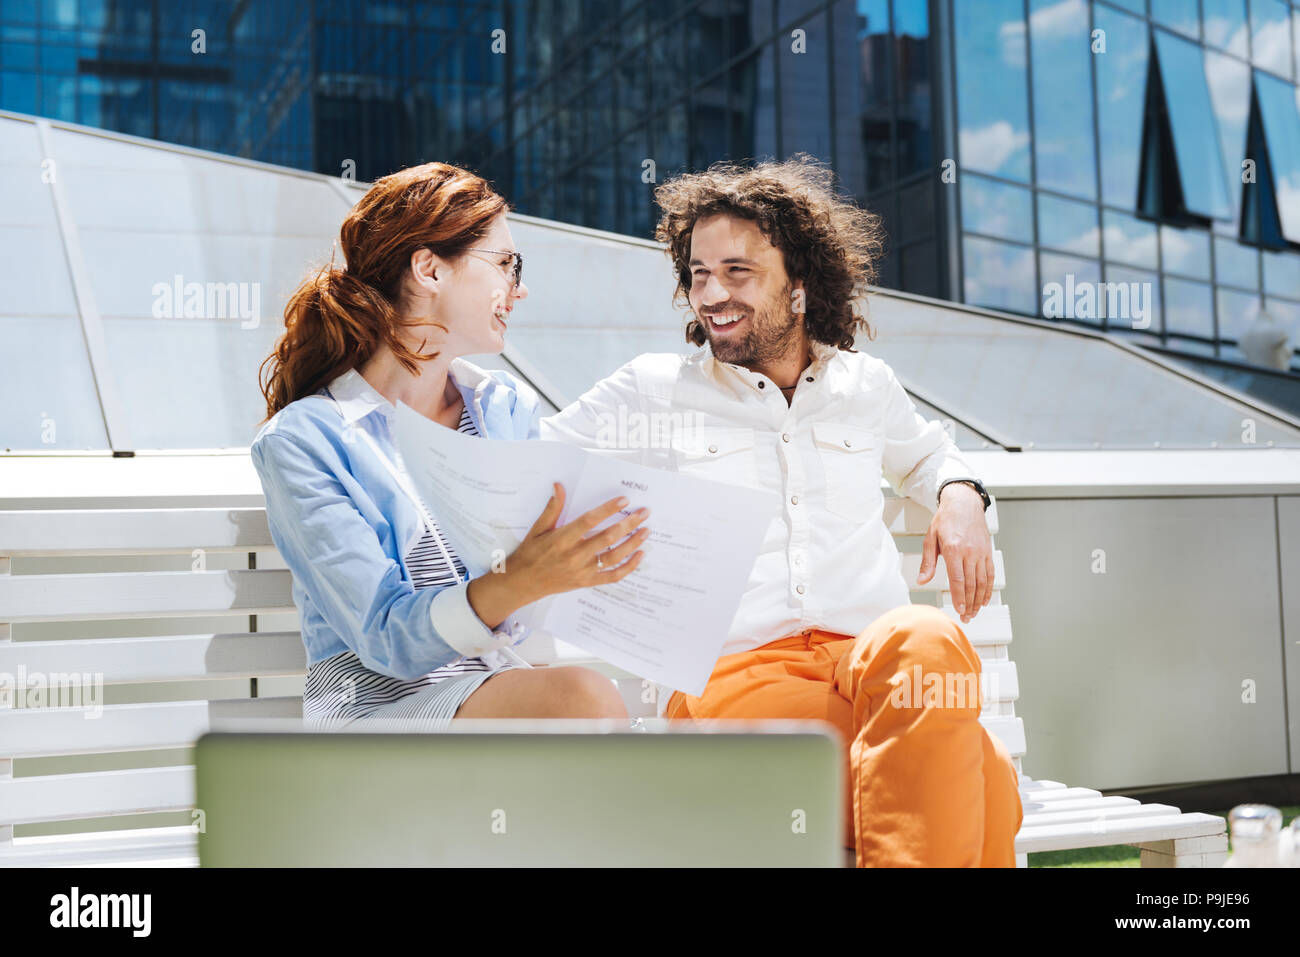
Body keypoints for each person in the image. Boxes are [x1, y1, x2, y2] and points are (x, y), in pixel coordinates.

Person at [540, 155, 1024, 866]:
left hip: (869, 666)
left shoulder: (866, 385)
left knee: (926, 636)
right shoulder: (650, 392)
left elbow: (929, 454)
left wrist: (959, 494)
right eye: (698, 273)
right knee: (987, 786)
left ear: (800, 285)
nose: (712, 293)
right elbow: (531, 469)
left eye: (739, 271)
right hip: (733, 680)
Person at [251, 162, 649, 730]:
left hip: (499, 693)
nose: (520, 288)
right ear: (429, 269)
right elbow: (384, 637)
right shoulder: (306, 441)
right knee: (582, 701)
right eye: (507, 265)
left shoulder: (504, 408)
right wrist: (523, 578)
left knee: (598, 715)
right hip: (377, 714)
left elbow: (531, 598)